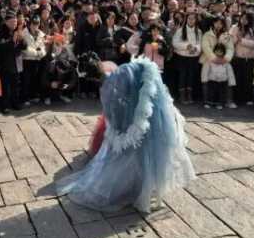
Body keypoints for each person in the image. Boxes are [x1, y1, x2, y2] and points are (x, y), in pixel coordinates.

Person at [57, 57, 195, 213]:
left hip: (143, 113)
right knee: (151, 151)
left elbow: (114, 113)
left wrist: (123, 126)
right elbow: (143, 71)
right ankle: (146, 188)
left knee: (139, 152)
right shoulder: (121, 71)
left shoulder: (109, 86)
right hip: (151, 110)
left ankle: (141, 188)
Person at [0, 12, 26, 113]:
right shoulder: (1, 32)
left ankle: (15, 103)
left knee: (15, 85)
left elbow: (24, 46)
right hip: (5, 63)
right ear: (6, 22)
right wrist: (12, 40)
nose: (14, 24)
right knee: (5, 86)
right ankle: (5, 105)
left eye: (15, 22)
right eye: (12, 22)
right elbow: (1, 47)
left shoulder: (18, 31)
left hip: (17, 62)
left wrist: (22, 39)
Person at [172, 12, 202, 104]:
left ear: (196, 20)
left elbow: (200, 44)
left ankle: (189, 95)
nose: (191, 20)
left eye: (193, 19)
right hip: (182, 57)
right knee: (183, 76)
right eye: (189, 18)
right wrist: (186, 46)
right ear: (186, 19)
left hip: (193, 57)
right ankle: (182, 96)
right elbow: (175, 43)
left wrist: (196, 48)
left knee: (191, 76)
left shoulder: (199, 31)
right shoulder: (180, 30)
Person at [21, 17, 47, 106]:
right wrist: (36, 53)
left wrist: (41, 53)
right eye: (33, 24)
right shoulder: (24, 33)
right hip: (27, 59)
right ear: (30, 24)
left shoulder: (41, 34)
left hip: (37, 60)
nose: (35, 26)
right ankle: (24, 98)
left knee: (34, 78)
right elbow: (24, 48)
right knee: (26, 80)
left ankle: (33, 95)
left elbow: (43, 46)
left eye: (37, 24)